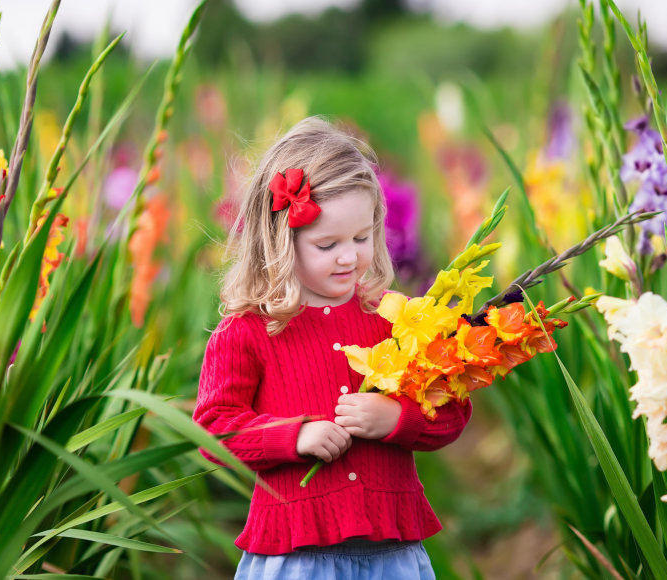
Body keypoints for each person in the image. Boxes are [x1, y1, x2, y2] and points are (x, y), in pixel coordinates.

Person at [193, 117, 472, 579]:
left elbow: (452, 409)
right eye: (327, 244)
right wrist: (293, 436)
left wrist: (396, 419)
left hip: (391, 554)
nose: (350, 256)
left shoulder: (395, 318)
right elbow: (213, 429)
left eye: (362, 238)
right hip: (295, 557)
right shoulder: (249, 331)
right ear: (280, 242)